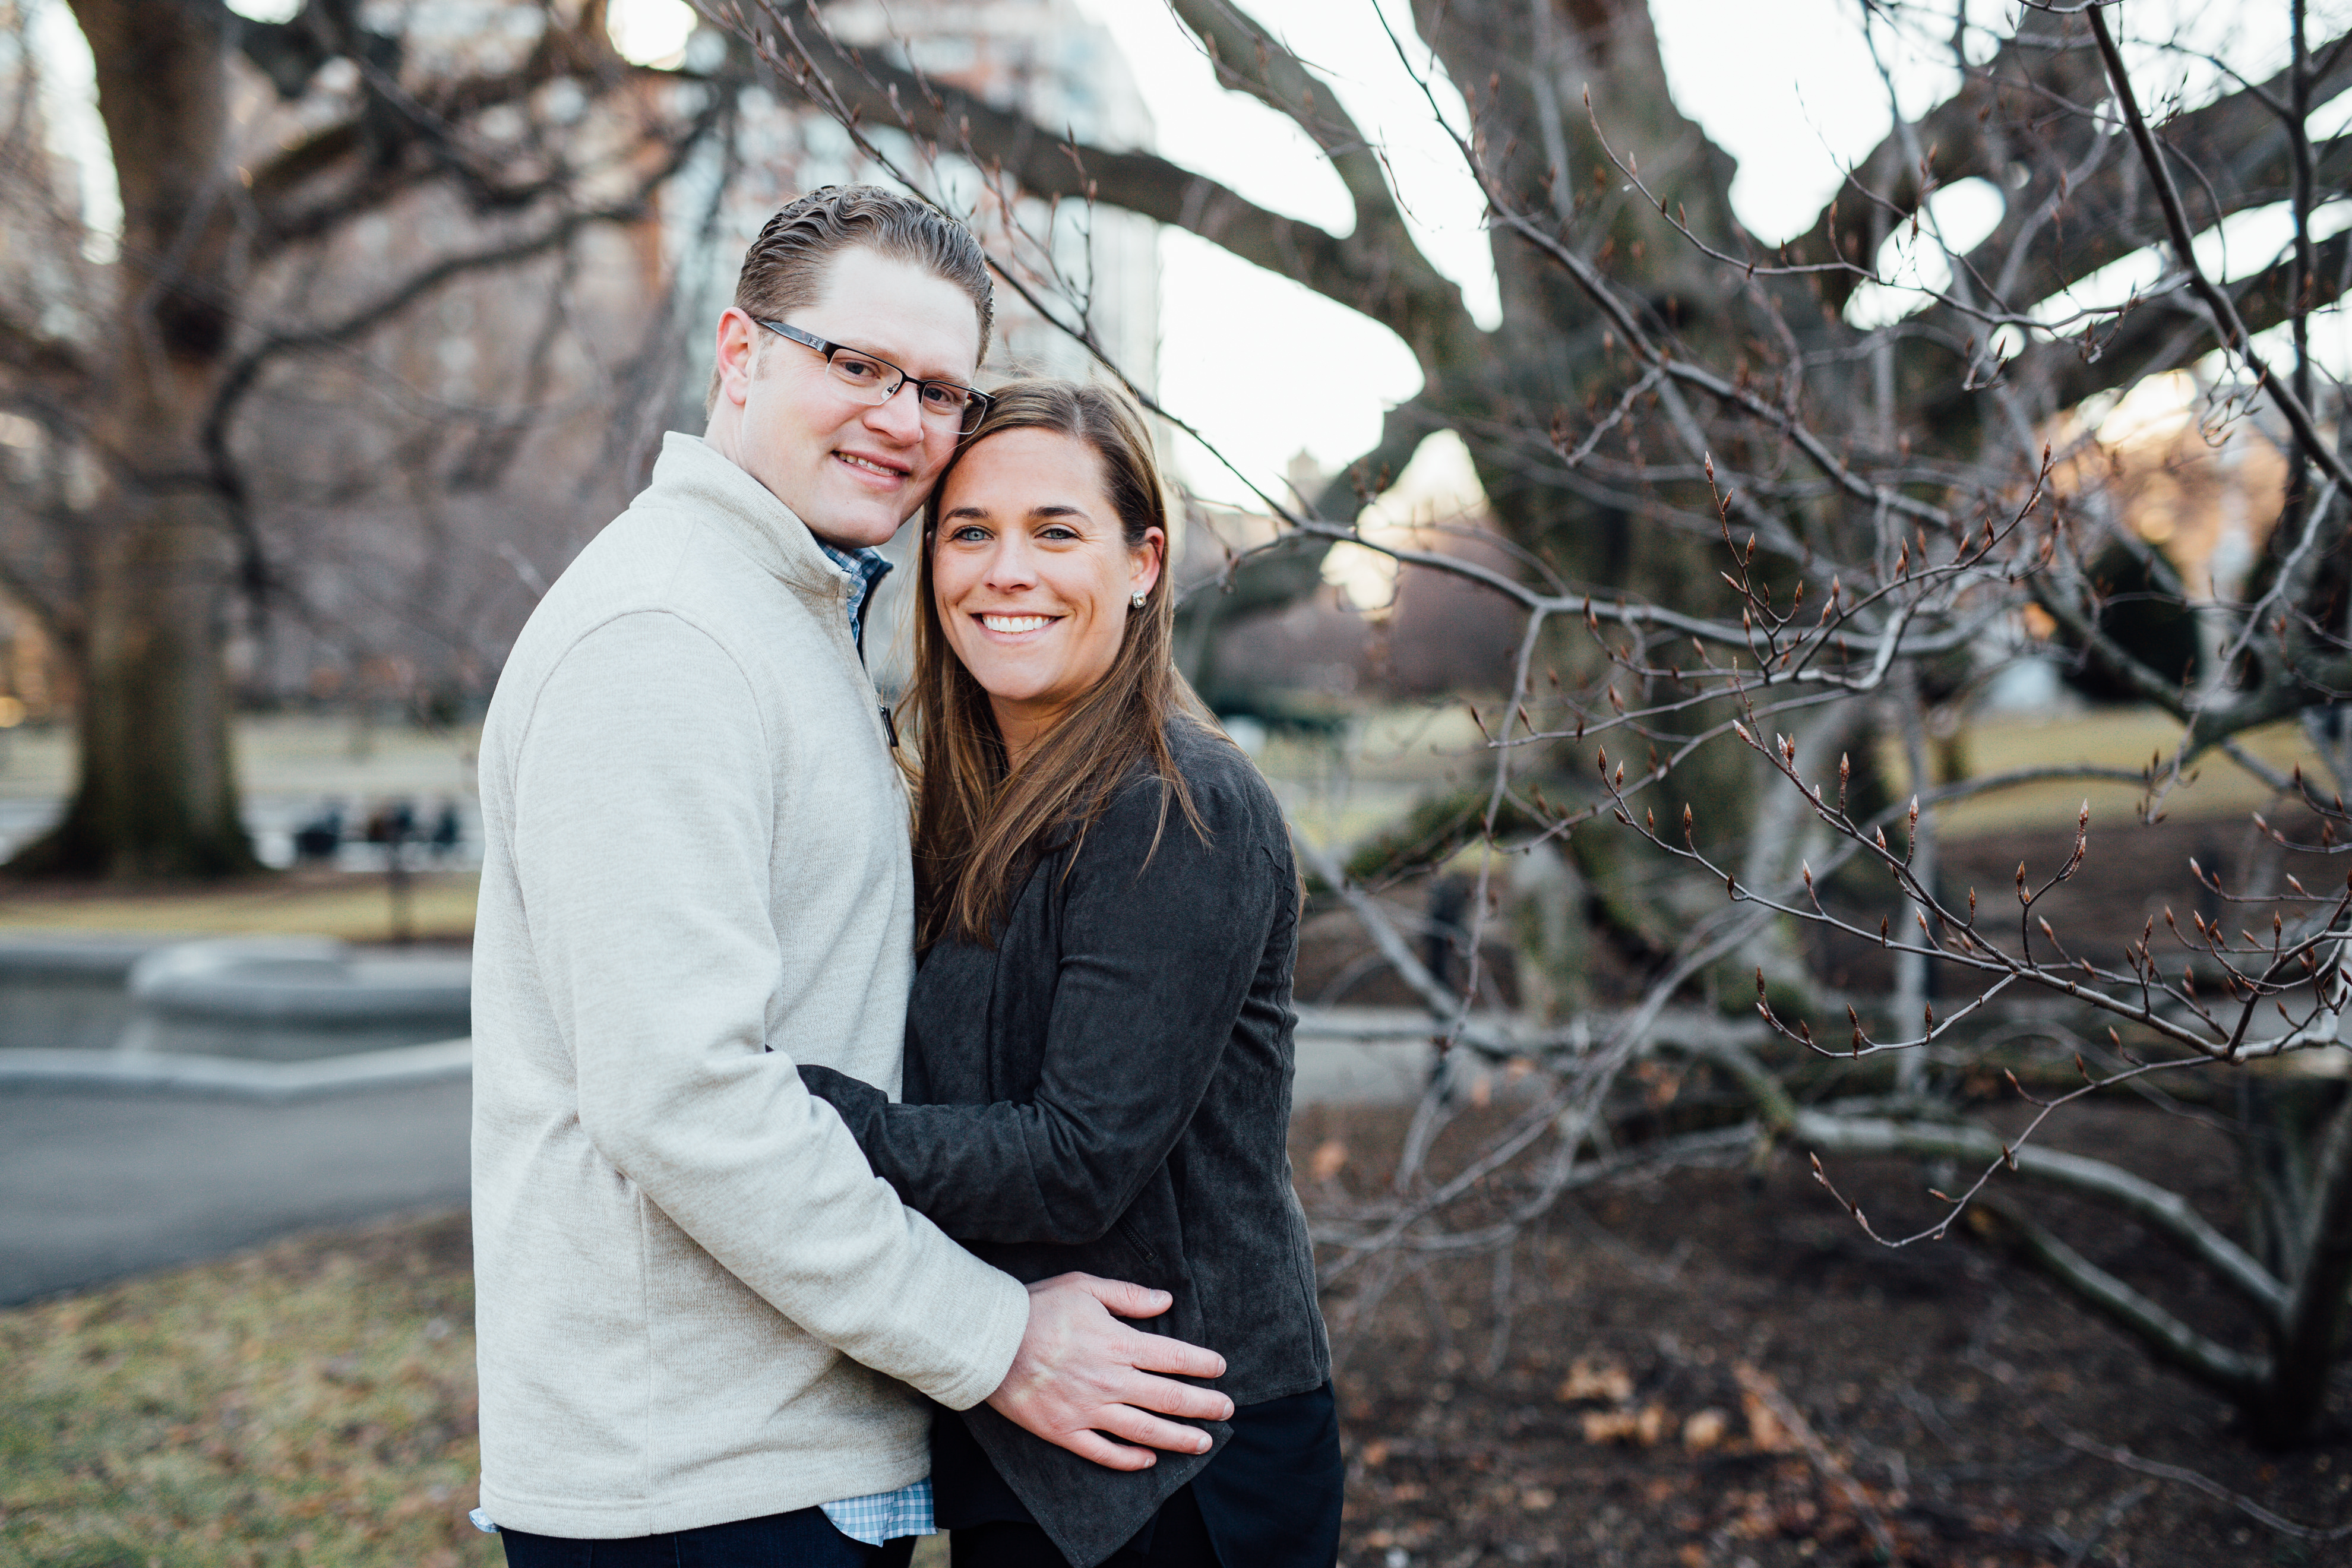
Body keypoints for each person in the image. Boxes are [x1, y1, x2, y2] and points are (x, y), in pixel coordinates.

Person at [469, 188, 1231, 1568]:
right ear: (740, 353)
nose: (901, 418)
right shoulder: (665, 637)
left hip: (782, 1455)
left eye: (939, 387)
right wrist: (989, 1337)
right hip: (696, 1480)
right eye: (856, 364)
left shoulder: (787, 613)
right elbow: (683, 1098)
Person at [801, 380, 1343, 1567]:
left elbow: (1073, 1162)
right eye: (971, 531)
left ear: (1145, 561)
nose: (1007, 571)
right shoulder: (969, 805)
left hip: (1184, 1462)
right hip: (1031, 1437)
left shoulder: (1179, 808)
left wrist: (795, 1114)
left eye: (1057, 531)